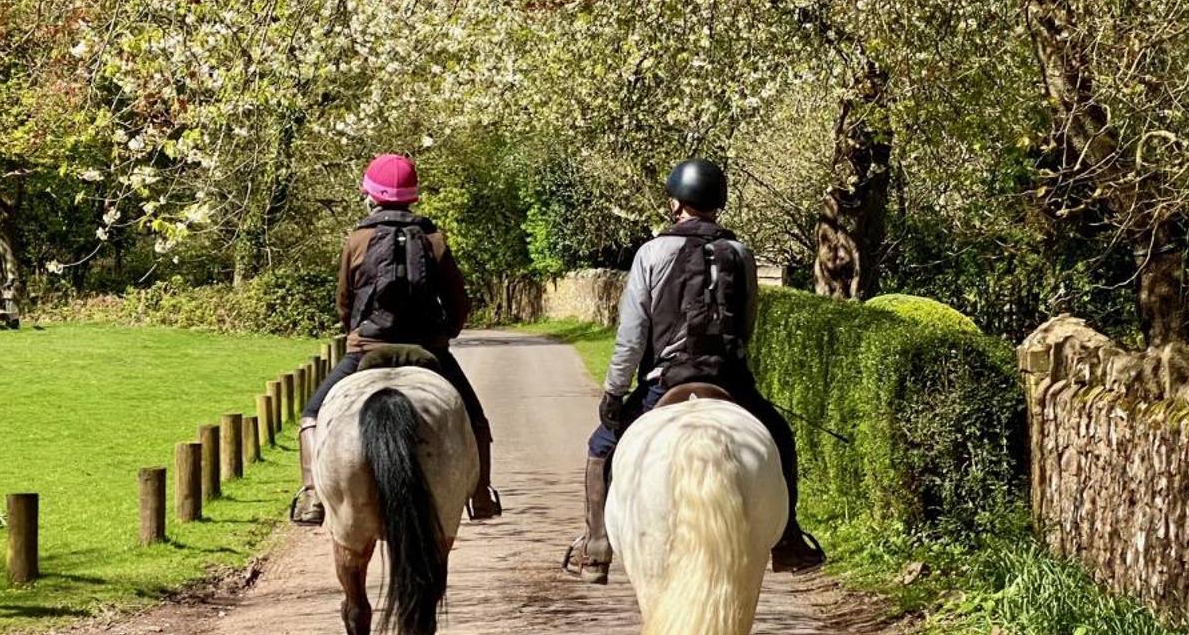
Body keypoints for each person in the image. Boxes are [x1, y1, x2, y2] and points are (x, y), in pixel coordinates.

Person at [564, 157, 822, 583]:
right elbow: (748, 322)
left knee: (600, 448)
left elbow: (632, 335)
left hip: (665, 381)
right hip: (730, 380)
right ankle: (788, 538)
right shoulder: (741, 253)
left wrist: (613, 392)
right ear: (718, 202)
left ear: (675, 203)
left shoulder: (651, 253)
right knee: (780, 437)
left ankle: (595, 548)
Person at [291, 154, 503, 526]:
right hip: (428, 351)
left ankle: (311, 495)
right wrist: (445, 334)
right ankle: (482, 495)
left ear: (370, 195)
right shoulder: (434, 239)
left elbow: (344, 300)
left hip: (367, 350)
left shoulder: (357, 239)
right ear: (412, 197)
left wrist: (355, 335)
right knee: (475, 418)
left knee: (311, 414)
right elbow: (458, 301)